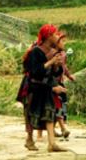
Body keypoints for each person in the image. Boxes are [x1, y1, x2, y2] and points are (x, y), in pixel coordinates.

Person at [19, 24, 67, 153]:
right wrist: (51, 62)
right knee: (30, 114)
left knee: (49, 112)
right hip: (32, 87)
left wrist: (56, 67)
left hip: (45, 86)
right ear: (48, 36)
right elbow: (35, 71)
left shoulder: (53, 52)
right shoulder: (36, 51)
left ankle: (52, 144)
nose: (57, 37)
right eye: (55, 34)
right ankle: (29, 139)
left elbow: (53, 74)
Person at [53, 32, 74, 140]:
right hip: (51, 83)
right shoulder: (51, 54)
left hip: (59, 82)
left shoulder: (63, 54)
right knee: (57, 105)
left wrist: (69, 75)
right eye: (61, 41)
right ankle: (62, 128)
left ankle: (56, 129)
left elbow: (64, 67)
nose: (64, 43)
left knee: (60, 104)